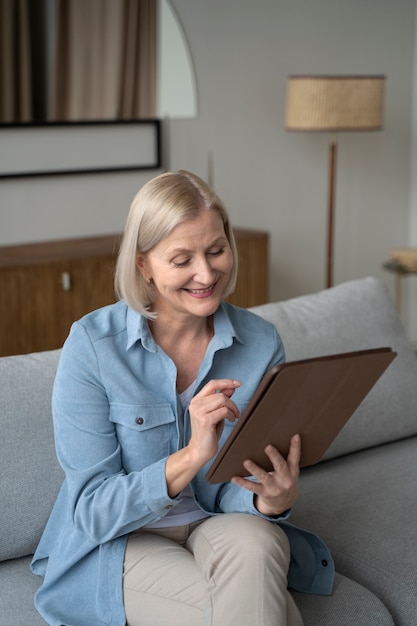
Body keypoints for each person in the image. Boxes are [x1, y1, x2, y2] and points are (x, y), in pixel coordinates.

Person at [31, 170, 334, 626]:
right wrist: (191, 457)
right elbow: (94, 511)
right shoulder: (93, 346)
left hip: (217, 522)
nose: (206, 273)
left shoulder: (260, 342)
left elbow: (239, 481)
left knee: (263, 540)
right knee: (252, 606)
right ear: (142, 264)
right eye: (181, 259)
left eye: (216, 250)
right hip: (121, 540)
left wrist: (267, 501)